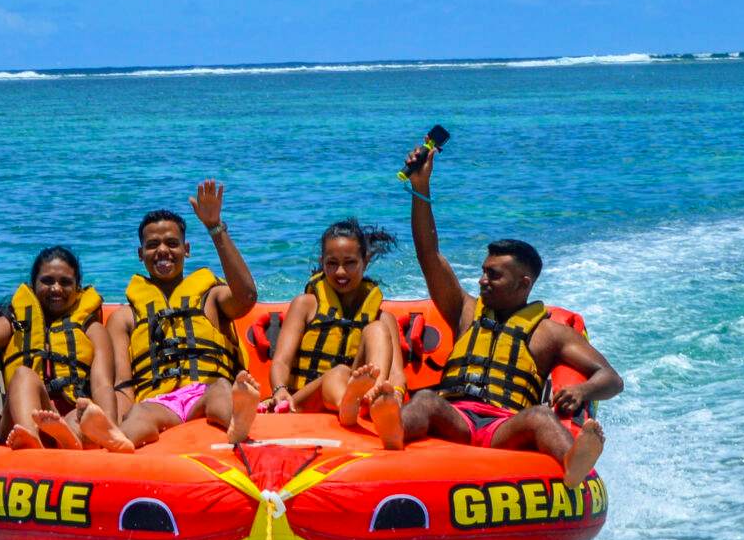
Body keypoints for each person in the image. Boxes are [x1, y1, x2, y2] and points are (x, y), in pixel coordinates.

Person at [394, 141, 621, 489]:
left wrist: (583, 391)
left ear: (524, 283)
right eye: (483, 272)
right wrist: (420, 189)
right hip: (456, 416)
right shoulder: (465, 310)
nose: (483, 280)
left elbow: (610, 378)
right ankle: (390, 436)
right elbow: (429, 254)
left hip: (504, 426)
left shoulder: (550, 333)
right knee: (424, 400)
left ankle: (574, 464)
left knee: (541, 417)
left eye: (494, 275)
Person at [103, 180, 262, 447]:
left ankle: (238, 424)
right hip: (158, 402)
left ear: (186, 250)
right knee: (140, 414)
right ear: (140, 254)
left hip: (206, 390)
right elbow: (123, 382)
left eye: (172, 243)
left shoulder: (211, 297)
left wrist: (215, 228)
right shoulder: (125, 317)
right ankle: (121, 440)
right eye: (153, 245)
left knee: (222, 389)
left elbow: (247, 297)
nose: (163, 250)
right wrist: (120, 417)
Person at [0, 246, 133, 450]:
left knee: (79, 415)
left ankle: (68, 439)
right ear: (33, 285)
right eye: (47, 281)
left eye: (65, 282)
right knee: (24, 375)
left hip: (69, 417)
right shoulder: (15, 324)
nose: (56, 288)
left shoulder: (92, 330)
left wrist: (109, 429)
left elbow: (102, 385)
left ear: (78, 288)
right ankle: (31, 439)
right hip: (19, 423)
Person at [266, 218, 406, 447]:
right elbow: (281, 361)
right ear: (322, 262)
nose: (340, 271)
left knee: (377, 329)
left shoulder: (383, 317)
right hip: (305, 401)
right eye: (332, 263)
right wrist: (280, 390)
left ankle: (376, 399)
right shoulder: (305, 305)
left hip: (358, 398)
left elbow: (397, 373)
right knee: (338, 372)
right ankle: (347, 404)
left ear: (366, 261)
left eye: (350, 262)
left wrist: (397, 393)